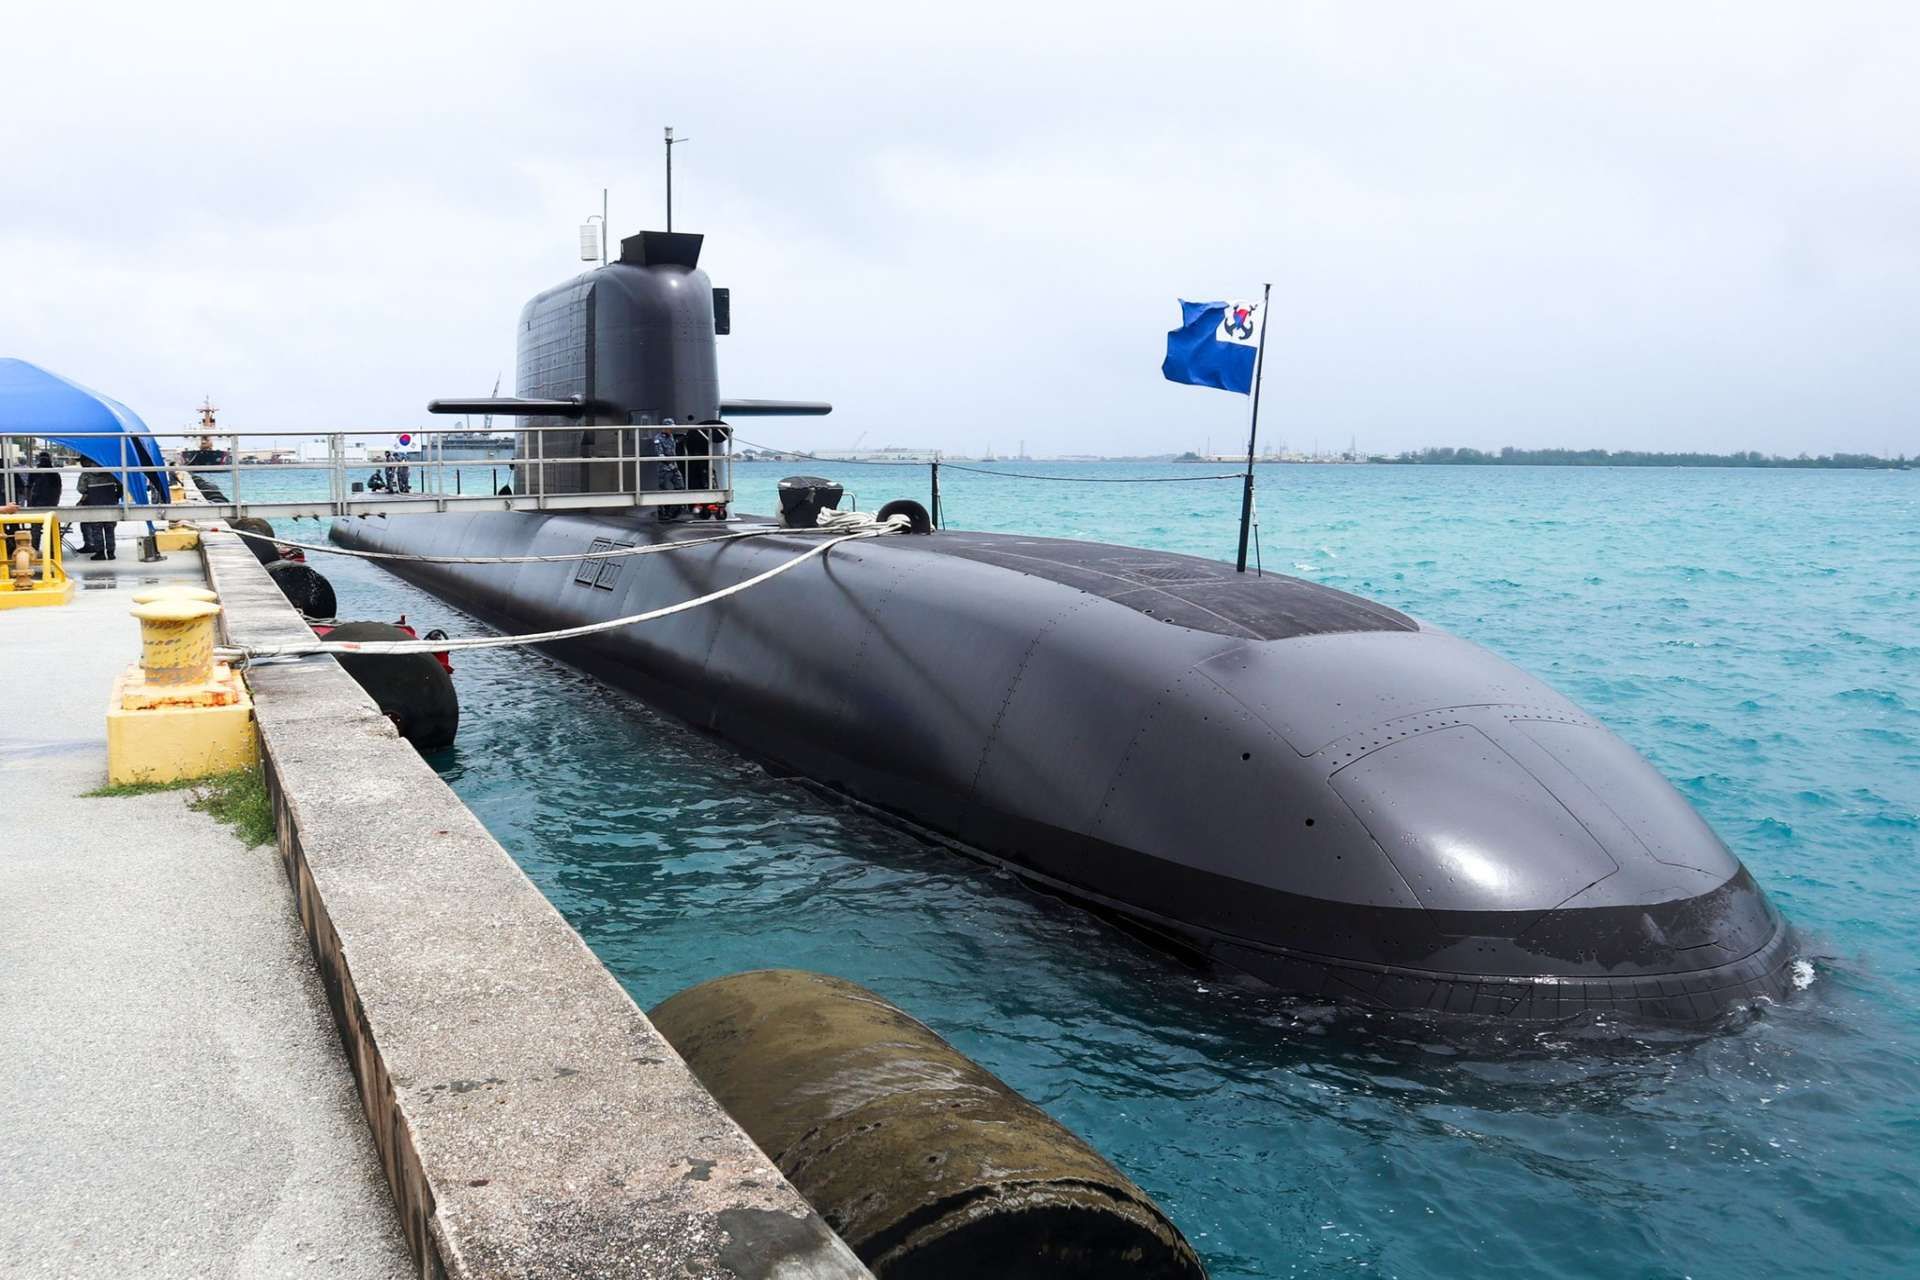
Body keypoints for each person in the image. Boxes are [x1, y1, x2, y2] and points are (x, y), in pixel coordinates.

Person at [77, 467, 123, 560]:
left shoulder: (86, 473)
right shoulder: (110, 470)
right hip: (110, 502)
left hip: (94, 502)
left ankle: (100, 553)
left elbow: (81, 489)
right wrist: (116, 496)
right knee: (110, 528)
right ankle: (111, 553)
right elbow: (120, 484)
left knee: (96, 529)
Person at [23, 452, 60, 550]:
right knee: (46, 529)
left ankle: (39, 550)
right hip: (45, 504)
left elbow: (28, 488)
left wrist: (29, 502)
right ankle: (52, 550)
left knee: (37, 529)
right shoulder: (54, 473)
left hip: (40, 504)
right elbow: (58, 490)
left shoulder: (52, 473)